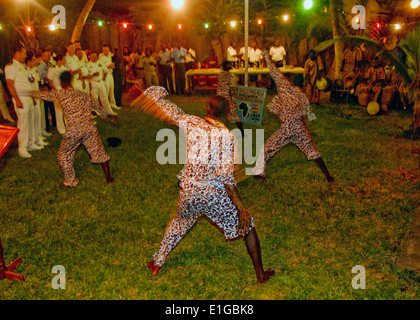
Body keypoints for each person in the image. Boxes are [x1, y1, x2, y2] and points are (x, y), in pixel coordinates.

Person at [131, 86, 275, 285]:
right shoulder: (227, 137)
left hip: (189, 190)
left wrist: (148, 96)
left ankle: (157, 262)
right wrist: (242, 209)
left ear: (208, 108)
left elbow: (169, 112)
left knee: (178, 223)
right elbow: (228, 180)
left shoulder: (191, 122)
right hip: (212, 194)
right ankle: (261, 276)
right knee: (248, 227)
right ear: (225, 113)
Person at [253, 51, 334, 183]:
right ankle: (328, 176)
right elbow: (309, 115)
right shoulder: (303, 96)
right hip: (299, 128)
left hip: (287, 128)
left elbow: (275, 72)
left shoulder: (286, 88)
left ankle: (259, 173)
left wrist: (267, 57)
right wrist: (307, 131)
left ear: (292, 82)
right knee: (312, 152)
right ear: (302, 85)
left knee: (268, 147)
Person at [32, 71, 117, 187]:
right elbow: (98, 108)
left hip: (75, 131)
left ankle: (71, 180)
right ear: (71, 81)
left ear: (62, 83)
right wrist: (109, 116)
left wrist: (30, 92)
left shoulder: (61, 94)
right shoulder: (82, 94)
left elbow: (45, 95)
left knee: (63, 155)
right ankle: (108, 178)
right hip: (89, 129)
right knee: (99, 152)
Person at [5, 45, 40, 158]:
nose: (25, 55)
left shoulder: (23, 67)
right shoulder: (11, 67)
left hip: (29, 98)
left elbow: (30, 80)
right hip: (21, 99)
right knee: (23, 124)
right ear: (17, 53)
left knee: (29, 122)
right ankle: (22, 148)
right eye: (24, 53)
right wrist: (16, 99)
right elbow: (10, 85)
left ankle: (30, 143)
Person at [26, 52, 48, 149]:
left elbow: (38, 83)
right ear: (30, 61)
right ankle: (33, 140)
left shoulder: (35, 70)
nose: (36, 61)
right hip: (32, 98)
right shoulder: (27, 71)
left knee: (38, 118)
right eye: (34, 59)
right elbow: (29, 85)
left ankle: (38, 137)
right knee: (33, 119)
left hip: (37, 96)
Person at [217, 60, 243, 137]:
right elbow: (232, 88)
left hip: (219, 97)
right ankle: (242, 132)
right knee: (234, 115)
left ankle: (218, 133)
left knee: (219, 115)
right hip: (227, 97)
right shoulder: (231, 76)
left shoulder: (219, 75)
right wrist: (233, 97)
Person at [47, 54, 68, 135]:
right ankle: (61, 128)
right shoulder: (52, 69)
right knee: (59, 111)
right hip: (57, 91)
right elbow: (50, 81)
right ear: (59, 60)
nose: (65, 61)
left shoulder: (64, 68)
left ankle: (68, 126)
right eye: (64, 59)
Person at [38, 49, 55, 136]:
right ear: (42, 56)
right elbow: (39, 77)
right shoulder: (40, 66)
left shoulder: (50, 64)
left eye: (49, 55)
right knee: (45, 107)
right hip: (44, 86)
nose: (49, 57)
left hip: (50, 86)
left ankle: (54, 124)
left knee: (52, 105)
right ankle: (46, 126)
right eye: (47, 55)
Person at [99, 44, 120, 111]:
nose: (106, 51)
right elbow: (102, 67)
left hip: (111, 75)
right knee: (106, 91)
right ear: (103, 50)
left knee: (111, 90)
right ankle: (105, 106)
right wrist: (108, 67)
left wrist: (110, 66)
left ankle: (112, 104)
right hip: (106, 75)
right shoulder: (101, 58)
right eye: (105, 50)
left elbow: (113, 66)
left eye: (107, 50)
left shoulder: (109, 57)